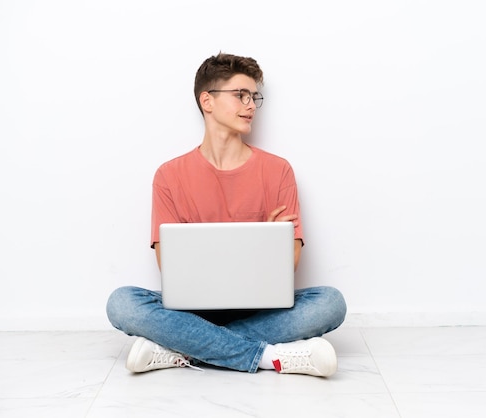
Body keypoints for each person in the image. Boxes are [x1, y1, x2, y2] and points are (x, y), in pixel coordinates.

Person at [106, 52, 347, 377]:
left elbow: (290, 265)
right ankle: (269, 357)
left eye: (253, 97)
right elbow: (170, 267)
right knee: (121, 303)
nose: (250, 105)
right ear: (207, 101)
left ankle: (179, 348)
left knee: (330, 302)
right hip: (192, 310)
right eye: (240, 95)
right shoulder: (169, 175)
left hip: (261, 308)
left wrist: (271, 245)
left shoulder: (278, 171)